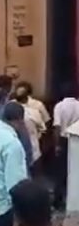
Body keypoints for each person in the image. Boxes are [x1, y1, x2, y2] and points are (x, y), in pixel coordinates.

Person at [50, 81, 79, 210]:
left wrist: (56, 145)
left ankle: (58, 200)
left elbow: (57, 126)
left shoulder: (59, 106)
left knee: (60, 171)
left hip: (63, 139)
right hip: (76, 139)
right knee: (75, 170)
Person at [12, 88, 45, 167]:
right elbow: (43, 129)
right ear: (27, 98)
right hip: (34, 150)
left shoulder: (11, 112)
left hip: (16, 150)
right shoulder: (34, 113)